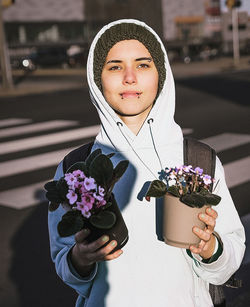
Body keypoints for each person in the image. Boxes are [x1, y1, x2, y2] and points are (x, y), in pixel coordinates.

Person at [48, 19, 245, 307]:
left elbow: (228, 260)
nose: (129, 77)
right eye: (114, 66)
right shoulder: (76, 169)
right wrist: (80, 258)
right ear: (97, 78)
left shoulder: (199, 160)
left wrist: (210, 248)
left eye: (143, 65)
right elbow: (66, 267)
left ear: (161, 75)